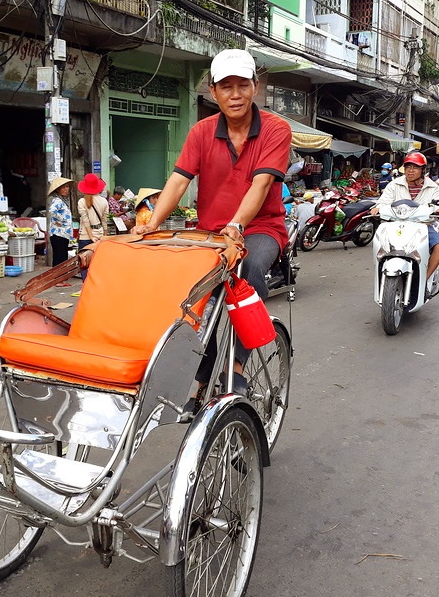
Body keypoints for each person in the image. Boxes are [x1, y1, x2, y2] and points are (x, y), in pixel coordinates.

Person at [132, 48, 291, 395]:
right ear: (212, 90)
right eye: (226, 86)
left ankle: (236, 370)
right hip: (209, 234)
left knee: (246, 272)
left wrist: (236, 225)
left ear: (255, 87)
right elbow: (178, 181)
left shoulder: (276, 129)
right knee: (196, 303)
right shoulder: (202, 132)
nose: (235, 95)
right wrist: (151, 223)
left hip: (260, 229)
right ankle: (200, 380)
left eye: (242, 85)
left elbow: (262, 183)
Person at [371, 151, 439, 283]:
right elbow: (383, 201)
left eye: (415, 167)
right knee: (379, 243)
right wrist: (377, 208)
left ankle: (423, 279)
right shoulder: (394, 184)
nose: (410, 171)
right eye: (408, 167)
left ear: (423, 170)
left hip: (422, 226)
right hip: (396, 225)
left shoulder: (432, 187)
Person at [76, 174, 110, 280]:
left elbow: (85, 221)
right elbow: (105, 220)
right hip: (99, 235)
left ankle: (86, 288)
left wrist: (91, 236)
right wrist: (105, 235)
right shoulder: (104, 201)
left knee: (84, 263)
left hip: (85, 237)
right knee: (98, 263)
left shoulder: (82, 202)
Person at [46, 176, 74, 267]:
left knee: (61, 257)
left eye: (67, 187)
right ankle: (58, 278)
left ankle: (58, 277)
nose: (67, 189)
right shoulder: (57, 200)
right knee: (60, 258)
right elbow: (52, 211)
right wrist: (61, 221)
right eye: (64, 187)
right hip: (59, 233)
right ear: (58, 190)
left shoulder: (62, 200)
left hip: (62, 233)